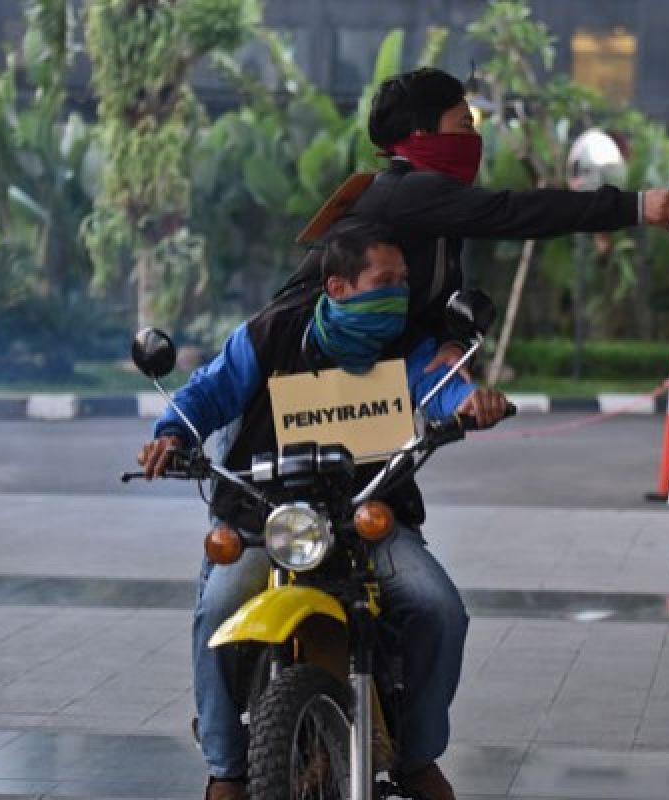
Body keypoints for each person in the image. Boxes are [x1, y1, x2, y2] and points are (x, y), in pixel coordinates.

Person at [138, 231, 506, 800]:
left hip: (365, 513)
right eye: (384, 283)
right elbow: (208, 392)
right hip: (268, 514)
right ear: (338, 287)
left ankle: (417, 757)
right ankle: (225, 768)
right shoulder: (273, 330)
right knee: (217, 608)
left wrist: (467, 403)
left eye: (404, 283)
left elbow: (435, 387)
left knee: (439, 610)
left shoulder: (408, 342)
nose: (399, 295)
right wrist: (170, 436)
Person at [276, 66, 669, 367]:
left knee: (388, 489)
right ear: (422, 135)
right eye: (464, 125)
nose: (474, 138)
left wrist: (449, 341)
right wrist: (635, 206)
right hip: (299, 370)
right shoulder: (409, 189)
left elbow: (432, 300)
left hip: (361, 381)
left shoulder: (431, 208)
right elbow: (514, 212)